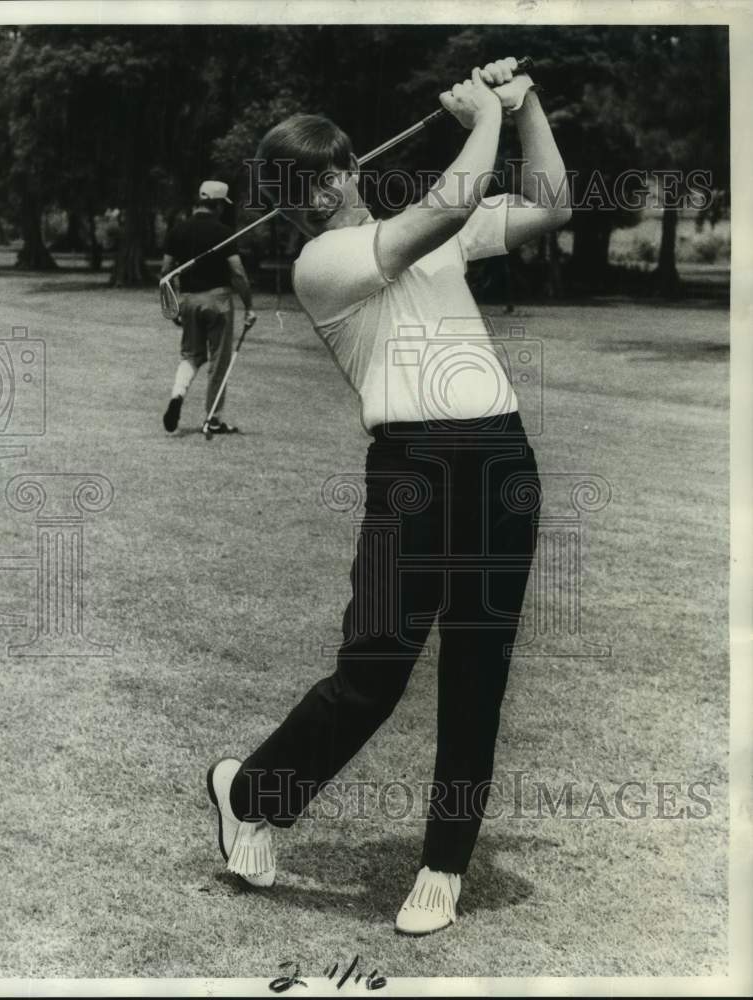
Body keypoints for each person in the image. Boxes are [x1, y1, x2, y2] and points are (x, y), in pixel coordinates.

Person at [206, 58, 571, 935]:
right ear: (295, 202)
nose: (326, 188)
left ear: (350, 168)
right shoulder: (322, 263)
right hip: (409, 469)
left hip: (498, 459)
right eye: (306, 184)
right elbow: (444, 206)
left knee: (477, 670)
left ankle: (442, 866)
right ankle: (250, 793)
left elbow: (553, 201)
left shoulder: (423, 230)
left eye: (332, 169)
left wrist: (523, 109)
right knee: (373, 670)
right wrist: (479, 113)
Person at [160, 180, 256, 435]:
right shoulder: (224, 232)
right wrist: (249, 306)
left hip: (188, 300)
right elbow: (237, 273)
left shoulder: (177, 230)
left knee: (191, 356)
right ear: (217, 205)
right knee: (218, 361)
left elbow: (165, 271)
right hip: (218, 301)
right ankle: (212, 419)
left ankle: (177, 396)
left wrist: (174, 306)